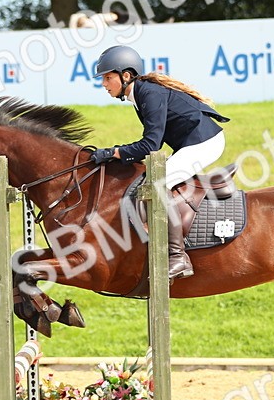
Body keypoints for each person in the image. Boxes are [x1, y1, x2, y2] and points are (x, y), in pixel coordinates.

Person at [89, 45, 230, 280]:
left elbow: (151, 145)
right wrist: (119, 154)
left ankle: (177, 257)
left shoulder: (148, 94)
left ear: (126, 75)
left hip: (205, 142)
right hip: (193, 142)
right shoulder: (139, 94)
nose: (104, 84)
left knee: (157, 184)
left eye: (107, 77)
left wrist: (114, 153)